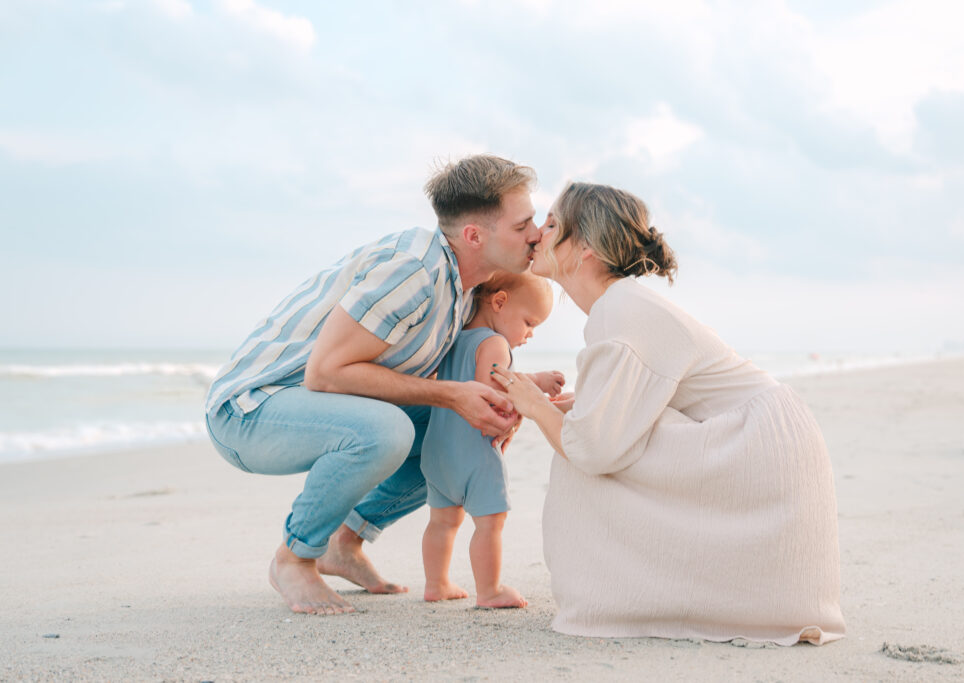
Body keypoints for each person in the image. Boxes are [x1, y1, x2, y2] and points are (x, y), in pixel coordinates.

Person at [492, 182, 846, 645]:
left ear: (586, 251)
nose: (537, 232)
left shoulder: (619, 313)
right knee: (589, 431)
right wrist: (570, 405)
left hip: (759, 449)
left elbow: (592, 447)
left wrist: (534, 405)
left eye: (553, 224)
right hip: (768, 436)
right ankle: (647, 597)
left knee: (581, 452)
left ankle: (615, 601)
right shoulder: (622, 305)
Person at [204, 154, 541, 616]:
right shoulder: (414, 270)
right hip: (249, 411)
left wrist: (502, 402)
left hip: (309, 405)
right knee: (389, 431)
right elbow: (325, 373)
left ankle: (343, 543)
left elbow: (458, 382)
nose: (537, 235)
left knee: (458, 434)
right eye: (523, 226)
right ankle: (295, 557)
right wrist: (452, 396)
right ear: (475, 236)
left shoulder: (463, 289)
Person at [420, 272, 564, 608]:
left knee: (442, 521)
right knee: (491, 522)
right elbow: (494, 388)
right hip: (474, 452)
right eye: (529, 322)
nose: (529, 334)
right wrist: (537, 383)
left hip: (438, 450)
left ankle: (436, 583)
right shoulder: (494, 343)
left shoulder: (455, 338)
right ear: (499, 302)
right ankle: (489, 591)